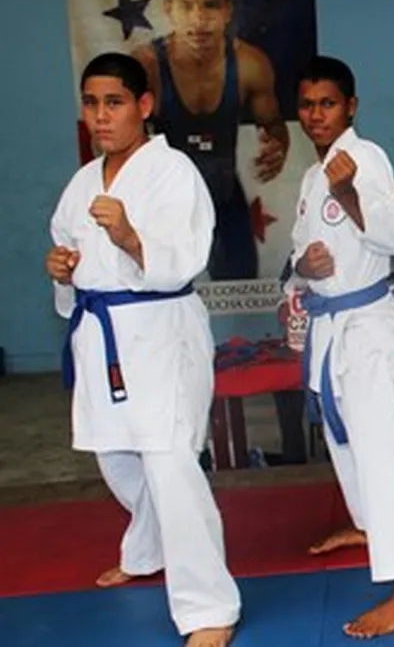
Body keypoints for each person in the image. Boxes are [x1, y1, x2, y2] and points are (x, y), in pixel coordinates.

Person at [49, 52, 239, 647]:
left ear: (144, 106)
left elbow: (188, 257)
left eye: (114, 102)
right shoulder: (82, 183)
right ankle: (148, 548)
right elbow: (69, 256)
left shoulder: (173, 172)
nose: (101, 116)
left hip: (161, 333)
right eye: (91, 104)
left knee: (170, 464)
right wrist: (62, 271)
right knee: (118, 456)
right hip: (102, 335)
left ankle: (209, 607)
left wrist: (131, 237)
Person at [290, 56, 394, 638]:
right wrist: (305, 265)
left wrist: (348, 192)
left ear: (350, 106)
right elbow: (297, 253)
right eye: (307, 105)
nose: (316, 115)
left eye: (327, 103)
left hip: (367, 326)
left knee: (379, 451)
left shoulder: (365, 158)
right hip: (330, 325)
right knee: (344, 442)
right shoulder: (311, 175)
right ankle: (370, 525)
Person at [132, 0, 289, 281]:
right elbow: (117, 137)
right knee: (161, 286)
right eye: (186, 6)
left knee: (239, 289)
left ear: (228, 10)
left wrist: (278, 146)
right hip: (165, 201)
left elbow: (274, 125)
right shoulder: (146, 66)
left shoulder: (250, 64)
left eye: (210, 5)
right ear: (168, 9)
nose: (199, 19)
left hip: (225, 195)